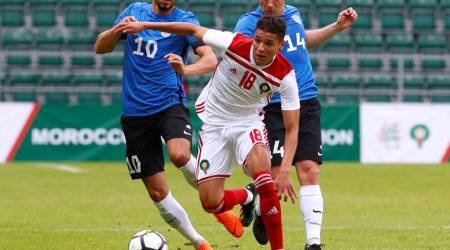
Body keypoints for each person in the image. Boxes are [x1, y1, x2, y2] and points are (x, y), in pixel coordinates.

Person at [114, 16, 300, 250]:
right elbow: (191, 29)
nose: (261, 48)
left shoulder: (285, 75)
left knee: (264, 178)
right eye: (258, 41)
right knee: (211, 203)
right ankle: (247, 197)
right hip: (214, 125)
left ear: (280, 45)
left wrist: (284, 170)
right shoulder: (232, 43)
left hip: (248, 124)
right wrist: (145, 26)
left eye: (269, 43)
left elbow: (292, 127)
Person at [94, 1, 220, 249]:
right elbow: (100, 47)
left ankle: (219, 205)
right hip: (135, 114)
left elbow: (210, 60)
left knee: (179, 154)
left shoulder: (186, 21)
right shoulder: (133, 12)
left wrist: (185, 69)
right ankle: (199, 241)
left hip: (169, 104)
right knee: (157, 193)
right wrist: (117, 30)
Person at [234, 1, 358, 249]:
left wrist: (336, 27)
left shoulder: (293, 14)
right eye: (264, 0)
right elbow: (240, 61)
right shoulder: (248, 24)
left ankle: (313, 242)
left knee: (310, 169)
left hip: (306, 99)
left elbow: (301, 43)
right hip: (271, 104)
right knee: (271, 175)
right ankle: (255, 202)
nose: (269, 4)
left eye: (275, 0)